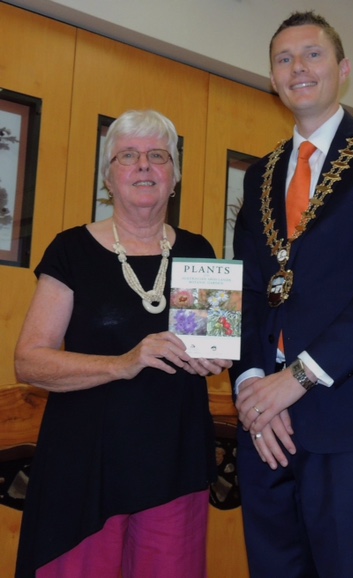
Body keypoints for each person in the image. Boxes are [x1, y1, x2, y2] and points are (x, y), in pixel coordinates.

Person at [231, 11, 353, 578]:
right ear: (272, 78)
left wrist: (295, 379)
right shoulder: (260, 174)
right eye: (284, 59)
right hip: (267, 426)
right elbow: (248, 289)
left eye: (312, 54)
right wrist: (251, 387)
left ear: (342, 70)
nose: (298, 67)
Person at [13, 109, 232, 578]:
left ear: (175, 176)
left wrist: (217, 357)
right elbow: (29, 362)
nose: (144, 166)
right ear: (108, 177)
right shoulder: (71, 250)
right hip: (84, 462)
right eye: (128, 156)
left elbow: (212, 350)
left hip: (176, 459)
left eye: (158, 156)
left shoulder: (200, 251)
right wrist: (124, 362)